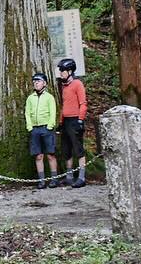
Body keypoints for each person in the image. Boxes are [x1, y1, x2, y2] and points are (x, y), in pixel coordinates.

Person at [26, 72, 61, 189]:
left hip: (46, 128)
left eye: (39, 81)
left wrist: (50, 126)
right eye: (34, 81)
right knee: (38, 156)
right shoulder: (30, 98)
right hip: (34, 129)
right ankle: (41, 180)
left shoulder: (49, 97)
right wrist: (30, 127)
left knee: (50, 154)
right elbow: (27, 113)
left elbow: (53, 112)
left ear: (44, 83)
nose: (36, 83)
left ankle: (54, 179)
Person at [55, 58, 86, 188]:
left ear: (70, 71)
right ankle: (69, 176)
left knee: (78, 149)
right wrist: (61, 122)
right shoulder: (63, 86)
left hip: (75, 120)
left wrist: (80, 120)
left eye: (63, 71)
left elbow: (83, 103)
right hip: (66, 120)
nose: (61, 73)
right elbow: (64, 105)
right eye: (60, 71)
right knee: (66, 149)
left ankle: (82, 177)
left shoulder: (77, 84)